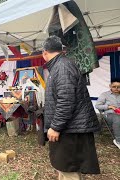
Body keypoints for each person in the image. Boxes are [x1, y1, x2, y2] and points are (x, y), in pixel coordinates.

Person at [42, 35, 100, 179]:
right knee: (63, 165)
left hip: (71, 128)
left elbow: (66, 100)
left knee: (69, 167)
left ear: (44, 52)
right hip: (69, 126)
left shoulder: (62, 67)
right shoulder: (60, 65)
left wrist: (55, 127)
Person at [95, 79, 120, 149]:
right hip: (109, 114)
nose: (116, 88)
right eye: (114, 86)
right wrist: (109, 106)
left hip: (119, 113)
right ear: (110, 86)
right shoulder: (105, 95)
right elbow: (97, 106)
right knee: (117, 118)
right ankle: (118, 141)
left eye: (118, 87)